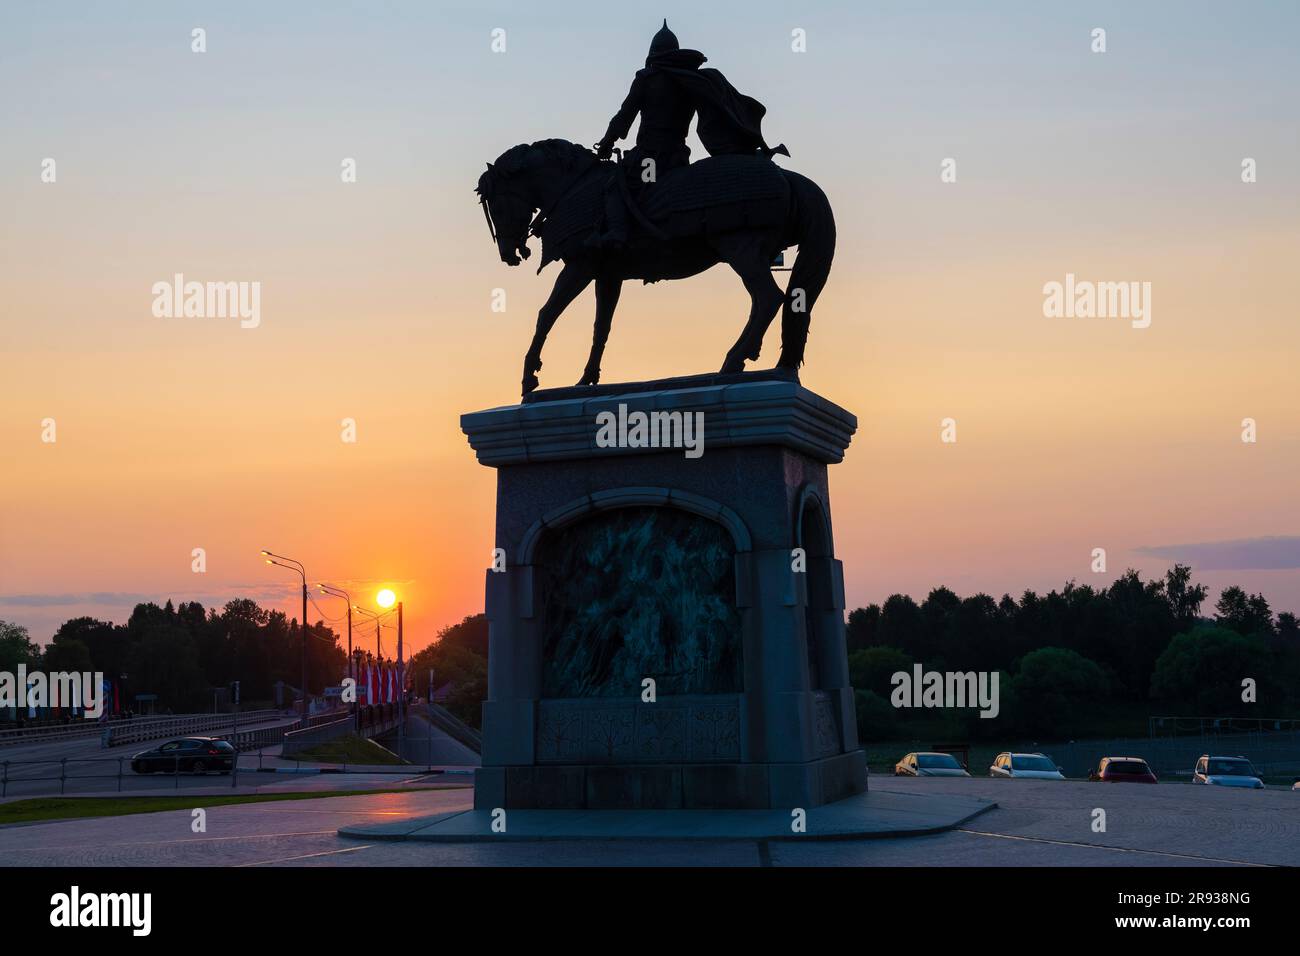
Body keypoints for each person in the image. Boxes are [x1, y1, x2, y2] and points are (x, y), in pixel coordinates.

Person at [590, 20, 787, 248]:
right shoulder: (689, 80)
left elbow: (624, 117)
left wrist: (606, 142)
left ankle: (618, 232)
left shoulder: (647, 79)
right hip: (678, 158)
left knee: (616, 184)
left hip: (650, 159)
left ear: (652, 54)